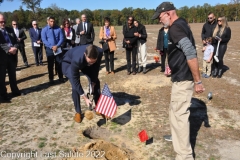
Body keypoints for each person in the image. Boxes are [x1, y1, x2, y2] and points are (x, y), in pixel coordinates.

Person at [152, 2, 205, 160]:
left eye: (160, 17)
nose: (159, 21)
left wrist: (198, 81)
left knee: (180, 116)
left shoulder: (175, 28)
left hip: (183, 79)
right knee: (174, 113)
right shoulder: (181, 24)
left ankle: (185, 156)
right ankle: (177, 140)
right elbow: (180, 52)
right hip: (179, 76)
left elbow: (190, 52)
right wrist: (171, 65)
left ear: (168, 13)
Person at [62, 44, 103, 123]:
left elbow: (96, 68)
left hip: (84, 64)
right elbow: (76, 80)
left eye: (93, 61)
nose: (91, 63)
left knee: (96, 81)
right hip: (68, 63)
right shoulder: (77, 59)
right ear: (85, 54)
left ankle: (98, 107)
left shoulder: (100, 52)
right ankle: (78, 112)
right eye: (90, 61)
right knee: (75, 87)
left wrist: (93, 83)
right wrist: (85, 98)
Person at [0, 14, 24, 102]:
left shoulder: (10, 30)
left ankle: (15, 91)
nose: (3, 23)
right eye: (1, 22)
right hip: (2, 58)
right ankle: (3, 95)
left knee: (13, 75)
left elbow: (16, 41)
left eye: (4, 21)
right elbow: (1, 44)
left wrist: (15, 48)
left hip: (12, 56)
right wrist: (9, 49)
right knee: (2, 78)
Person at [41, 16, 65, 84]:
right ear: (48, 21)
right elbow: (44, 40)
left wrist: (57, 46)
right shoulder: (44, 29)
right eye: (51, 21)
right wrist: (51, 47)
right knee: (50, 64)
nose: (52, 23)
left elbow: (62, 38)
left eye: (53, 21)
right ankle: (51, 79)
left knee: (59, 63)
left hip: (58, 49)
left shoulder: (58, 29)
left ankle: (61, 77)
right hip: (49, 49)